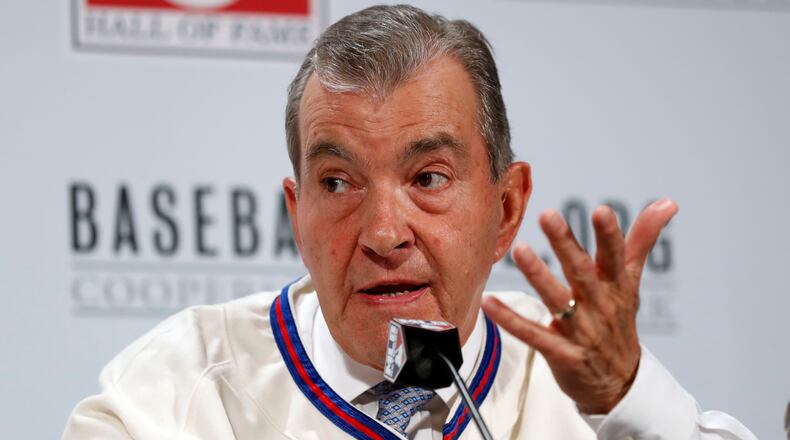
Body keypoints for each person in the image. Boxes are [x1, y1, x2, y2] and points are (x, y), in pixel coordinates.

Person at [63, 5, 758, 440]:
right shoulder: (172, 396)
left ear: (506, 209)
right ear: (297, 215)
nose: (384, 233)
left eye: (428, 178)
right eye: (338, 183)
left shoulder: (582, 385)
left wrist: (626, 398)